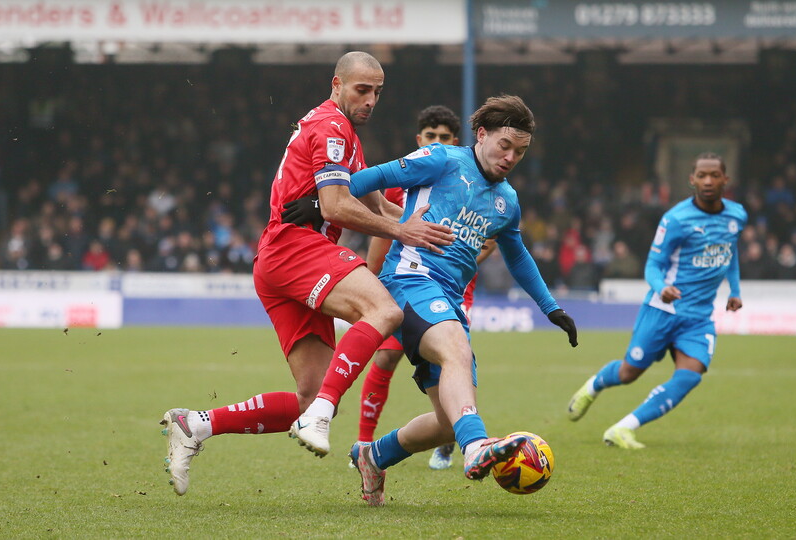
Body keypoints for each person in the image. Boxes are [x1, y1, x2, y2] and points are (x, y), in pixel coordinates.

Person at [159, 51, 455, 496]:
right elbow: (336, 206)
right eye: (362, 89)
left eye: (378, 92)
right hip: (295, 247)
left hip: (280, 259)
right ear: (336, 84)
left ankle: (196, 424)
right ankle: (324, 413)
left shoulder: (347, 136)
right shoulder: (332, 127)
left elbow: (380, 207)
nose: (371, 99)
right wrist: (401, 230)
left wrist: (431, 232)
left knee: (308, 392)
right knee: (384, 310)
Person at [344, 95, 578, 506]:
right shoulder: (441, 159)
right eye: (505, 146)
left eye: (520, 152)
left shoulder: (507, 200)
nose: (510, 157)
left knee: (447, 422)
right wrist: (332, 207)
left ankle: (373, 456)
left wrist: (551, 308)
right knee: (455, 351)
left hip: (449, 299)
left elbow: (518, 257)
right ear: (482, 134)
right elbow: (364, 180)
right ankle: (477, 447)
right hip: (409, 279)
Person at [566, 152, 746, 449]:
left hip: (698, 317)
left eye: (715, 175)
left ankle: (624, 428)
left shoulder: (737, 215)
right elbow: (652, 264)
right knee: (628, 373)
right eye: (702, 175)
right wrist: (662, 287)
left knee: (690, 376)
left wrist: (735, 290)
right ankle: (594, 385)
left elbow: (730, 251)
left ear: (726, 179)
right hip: (663, 310)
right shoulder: (676, 219)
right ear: (692, 180)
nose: (709, 181)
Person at [356, 105, 496, 471]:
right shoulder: (405, 192)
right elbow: (384, 238)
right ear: (419, 141)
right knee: (388, 357)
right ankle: (364, 438)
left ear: (457, 143)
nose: (436, 143)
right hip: (409, 286)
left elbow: (487, 245)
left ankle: (428, 444)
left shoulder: (476, 190)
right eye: (430, 137)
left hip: (456, 295)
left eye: (444, 138)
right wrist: (372, 290)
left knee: (452, 392)